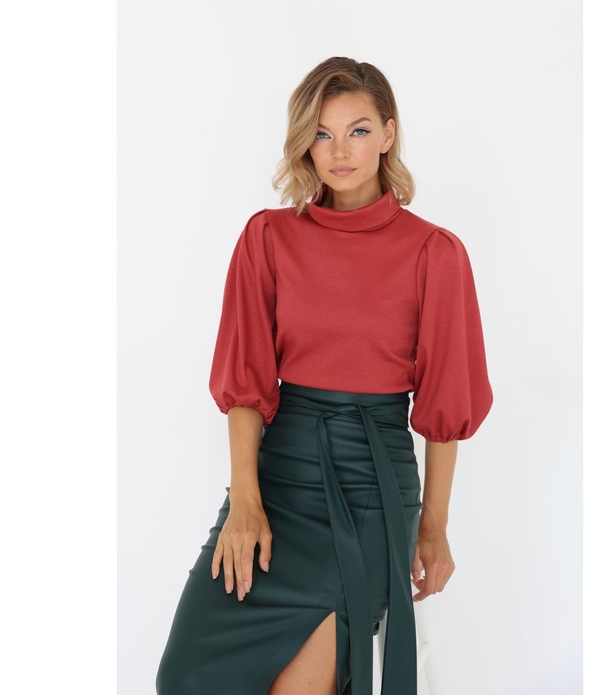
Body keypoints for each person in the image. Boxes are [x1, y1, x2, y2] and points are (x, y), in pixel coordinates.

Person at [155, 56, 493, 695]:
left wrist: (434, 527)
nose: (339, 151)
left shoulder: (434, 252)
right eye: (321, 133)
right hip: (277, 481)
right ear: (304, 142)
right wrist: (244, 502)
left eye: (358, 131)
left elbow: (446, 406)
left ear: (388, 134)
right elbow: (246, 384)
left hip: (370, 491)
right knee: (186, 678)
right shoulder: (267, 238)